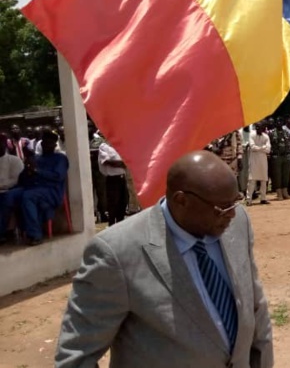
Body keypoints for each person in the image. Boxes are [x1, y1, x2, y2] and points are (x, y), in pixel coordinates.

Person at [55, 151, 273, 367]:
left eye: (234, 203)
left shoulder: (236, 223)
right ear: (181, 201)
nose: (232, 214)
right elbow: (76, 355)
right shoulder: (116, 253)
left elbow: (254, 307)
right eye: (221, 208)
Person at [0, 131, 68, 245]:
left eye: (49, 143)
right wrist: (27, 170)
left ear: (54, 145)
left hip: (51, 191)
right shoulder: (36, 159)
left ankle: (35, 235)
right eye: (44, 143)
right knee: (9, 196)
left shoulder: (60, 158)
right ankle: (1, 233)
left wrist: (37, 171)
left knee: (28, 197)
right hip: (31, 188)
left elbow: (58, 176)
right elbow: (22, 179)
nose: (46, 145)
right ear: (41, 145)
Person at [98, 140, 130, 225]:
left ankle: (120, 224)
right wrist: (122, 163)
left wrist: (124, 163)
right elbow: (106, 162)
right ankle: (111, 224)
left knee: (123, 202)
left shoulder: (121, 146)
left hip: (122, 177)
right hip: (113, 179)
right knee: (113, 204)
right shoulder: (104, 147)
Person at [0, 134, 24, 243]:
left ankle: (2, 232)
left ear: (4, 145)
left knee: (6, 200)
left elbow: (16, 180)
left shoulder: (14, 160)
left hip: (11, 190)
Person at [247, 124, 271, 205]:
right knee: (252, 179)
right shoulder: (252, 134)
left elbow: (268, 150)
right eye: (257, 127)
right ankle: (248, 199)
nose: (258, 129)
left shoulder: (266, 136)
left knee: (264, 179)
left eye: (260, 127)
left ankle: (263, 198)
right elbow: (252, 147)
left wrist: (259, 148)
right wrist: (263, 147)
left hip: (263, 160)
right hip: (254, 159)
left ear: (263, 128)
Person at [268, 120, 290, 201]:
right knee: (277, 175)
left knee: (286, 174)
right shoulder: (272, 133)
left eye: (280, 122)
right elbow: (269, 145)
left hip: (286, 156)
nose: (279, 124)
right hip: (276, 156)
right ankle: (279, 193)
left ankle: (285, 192)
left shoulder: (286, 133)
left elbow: (289, 143)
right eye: (277, 123)